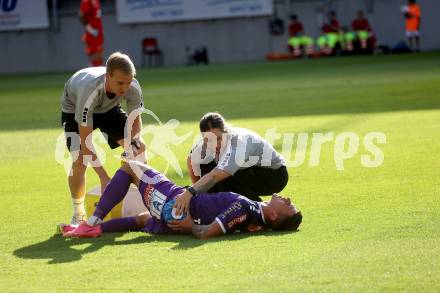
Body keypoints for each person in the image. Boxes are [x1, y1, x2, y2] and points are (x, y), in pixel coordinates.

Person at [63, 161, 302, 239]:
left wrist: (190, 227)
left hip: (175, 205)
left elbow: (209, 231)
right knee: (140, 220)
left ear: (273, 215)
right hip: (175, 214)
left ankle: (91, 221)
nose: (288, 198)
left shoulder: (246, 207)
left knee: (130, 168)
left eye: (288, 205)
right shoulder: (256, 217)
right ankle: (94, 231)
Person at [60, 52, 146, 229]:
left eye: (128, 82)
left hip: (109, 108)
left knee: (139, 149)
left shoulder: (133, 87)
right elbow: (86, 142)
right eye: (120, 83)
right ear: (108, 76)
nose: (125, 88)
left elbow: (135, 120)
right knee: (80, 160)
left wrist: (134, 143)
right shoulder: (89, 90)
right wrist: (104, 177)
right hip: (75, 109)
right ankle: (78, 214)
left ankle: (145, 203)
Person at [174, 112, 288, 215]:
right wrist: (199, 195)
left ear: (226, 132)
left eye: (219, 139)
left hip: (274, 175)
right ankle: (213, 205)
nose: (215, 144)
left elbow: (215, 176)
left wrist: (190, 192)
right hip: (245, 171)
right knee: (205, 166)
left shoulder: (239, 143)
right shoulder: (205, 142)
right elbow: (192, 160)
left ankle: (257, 212)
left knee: (224, 176)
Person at [79, 0, 104, 66]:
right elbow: (81, 15)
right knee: (95, 56)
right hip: (92, 34)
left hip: (98, 32)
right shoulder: (86, 1)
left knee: (100, 56)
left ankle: (98, 74)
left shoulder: (96, 1)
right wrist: (90, 29)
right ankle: (93, 75)